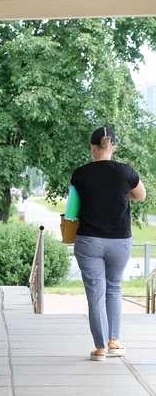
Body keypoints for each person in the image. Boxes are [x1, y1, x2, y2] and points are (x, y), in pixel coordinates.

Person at [70, 126, 146, 361]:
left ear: (92, 148)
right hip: (120, 241)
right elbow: (140, 195)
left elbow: (74, 204)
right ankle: (114, 340)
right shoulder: (126, 172)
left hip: (89, 240)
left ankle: (100, 347)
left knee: (95, 295)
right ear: (113, 147)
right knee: (114, 288)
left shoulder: (80, 174)